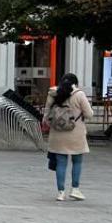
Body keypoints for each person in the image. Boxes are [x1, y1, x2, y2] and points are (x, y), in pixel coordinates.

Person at [43, 73, 95, 201]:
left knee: (61, 163)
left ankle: (61, 193)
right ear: (75, 83)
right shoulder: (79, 95)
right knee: (77, 161)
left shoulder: (52, 94)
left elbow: (46, 115)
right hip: (75, 133)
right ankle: (75, 189)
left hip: (57, 134)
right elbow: (89, 114)